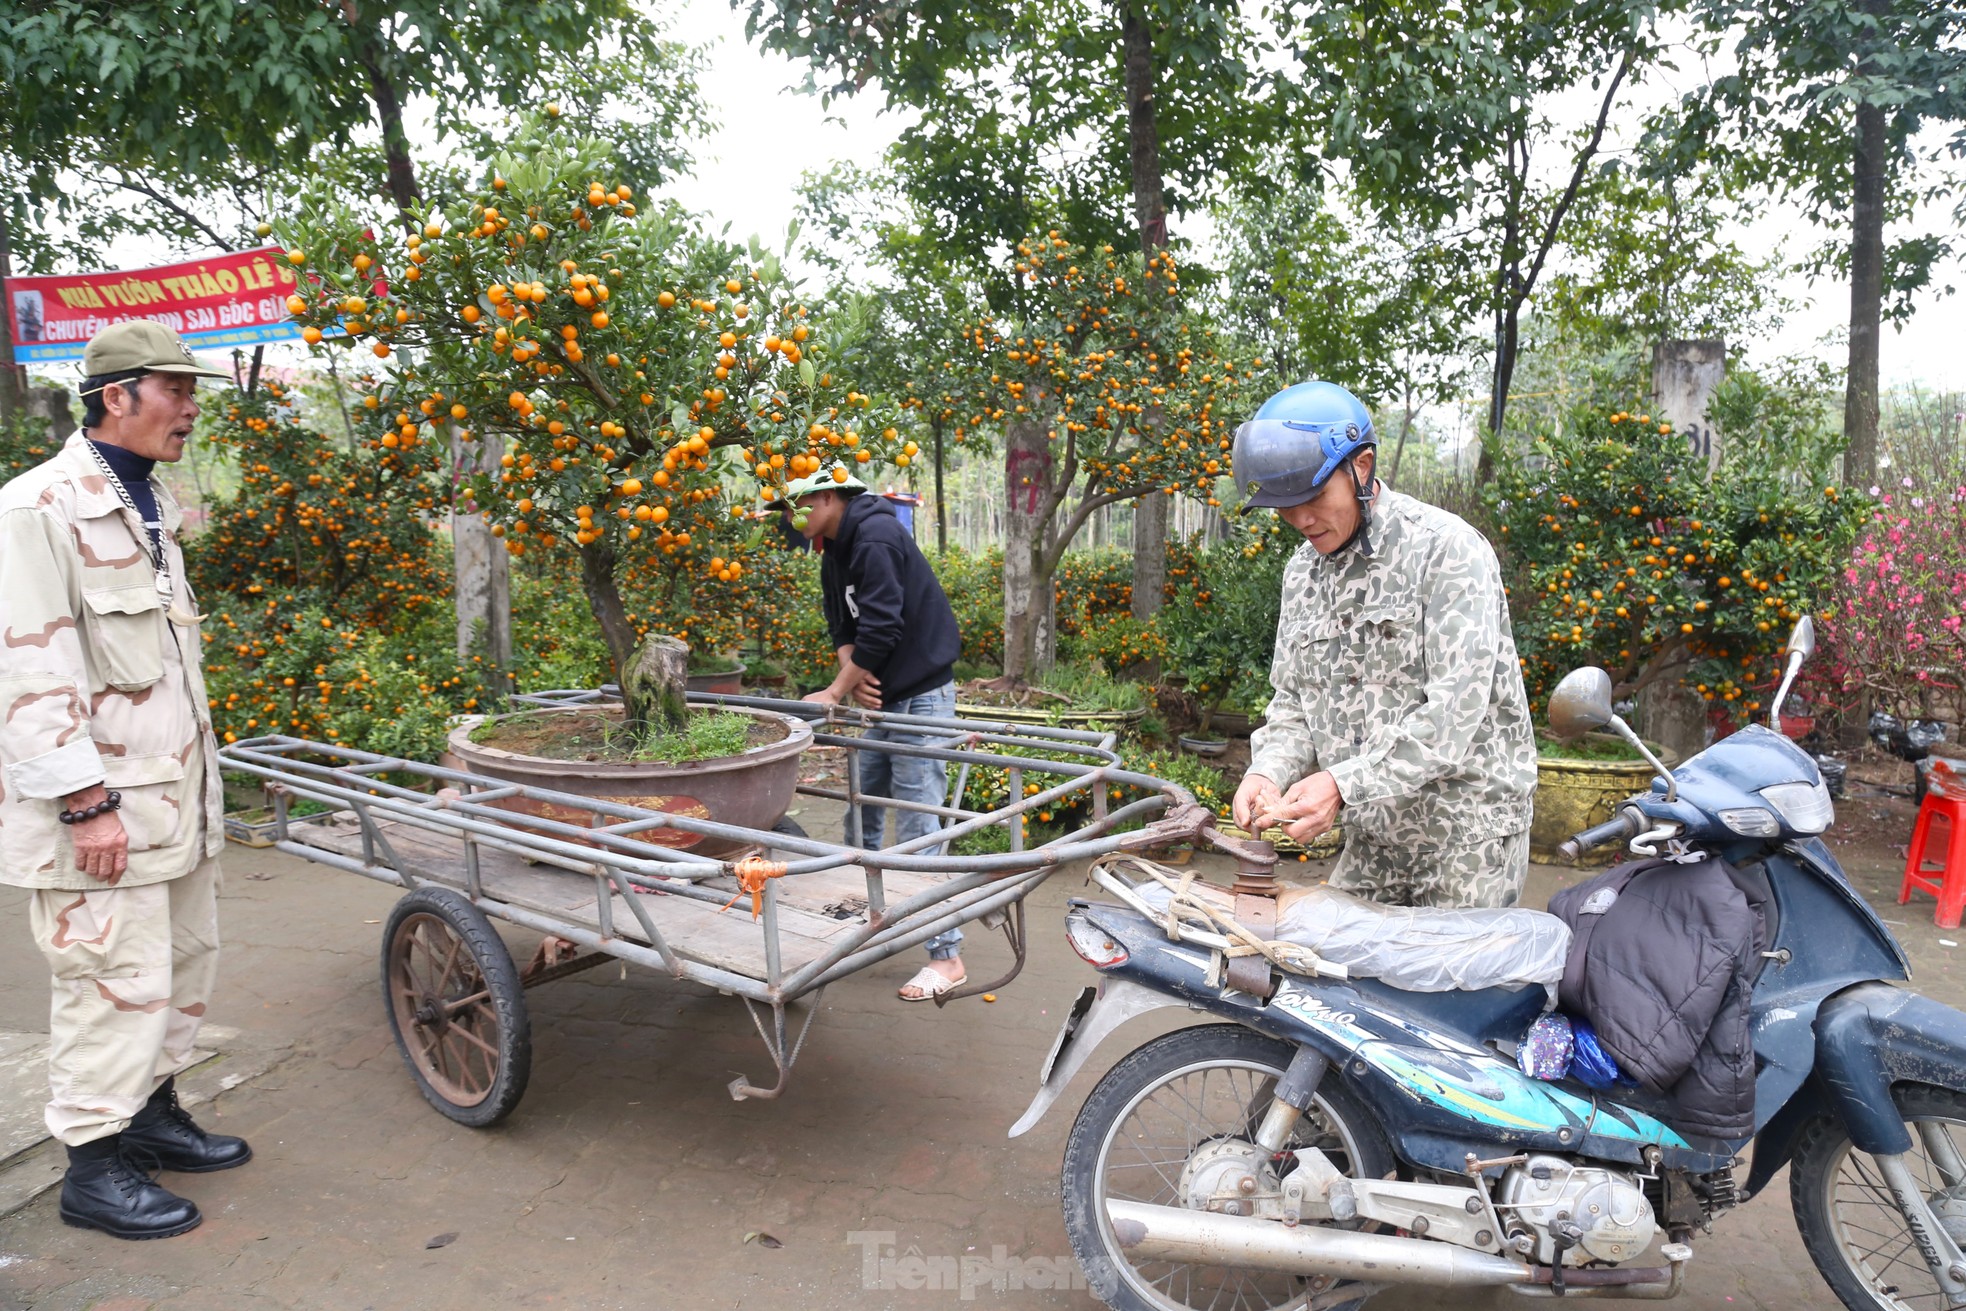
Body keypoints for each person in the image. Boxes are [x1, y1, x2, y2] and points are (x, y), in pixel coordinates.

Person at [0, 321, 248, 1240]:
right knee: (108, 979)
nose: (190, 408)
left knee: (180, 961)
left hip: (171, 797)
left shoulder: (148, 502)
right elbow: (28, 671)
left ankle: (148, 1113)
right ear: (117, 396)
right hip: (100, 812)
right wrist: (84, 803)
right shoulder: (38, 509)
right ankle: (92, 1168)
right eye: (175, 390)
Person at [1228, 380, 1537, 908]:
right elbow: (1293, 703)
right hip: (1373, 834)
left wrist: (1341, 785)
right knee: (1336, 982)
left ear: (1361, 468)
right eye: (1286, 506)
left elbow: (1453, 713)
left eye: (1315, 497)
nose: (1301, 520)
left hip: (1465, 837)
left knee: (1449, 988)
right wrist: (1267, 770)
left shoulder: (1448, 551)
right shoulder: (1303, 573)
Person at [773, 468, 966, 1000]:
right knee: (862, 812)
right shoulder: (832, 548)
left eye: (797, 506)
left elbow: (882, 625)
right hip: (883, 701)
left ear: (829, 496)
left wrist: (835, 693)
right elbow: (844, 627)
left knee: (918, 826)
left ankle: (946, 957)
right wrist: (855, 682)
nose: (792, 519)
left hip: (920, 698)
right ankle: (867, 922)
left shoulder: (876, 536)